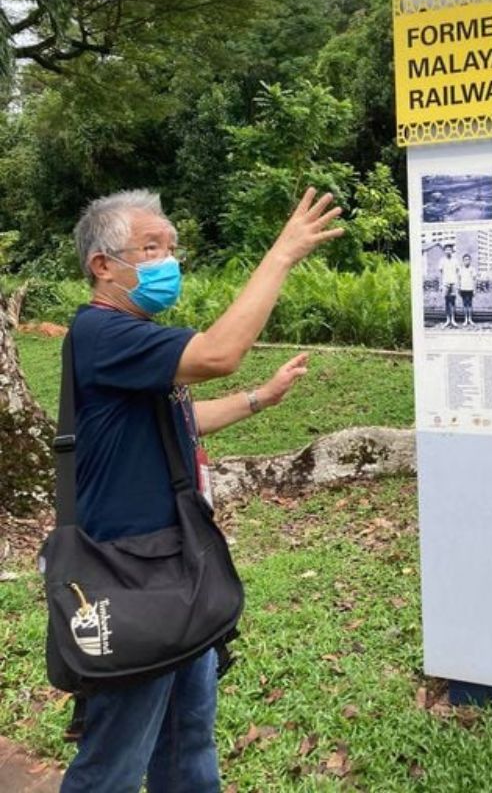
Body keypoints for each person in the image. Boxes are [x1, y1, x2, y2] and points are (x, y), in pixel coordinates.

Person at [59, 187, 343, 793]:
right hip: (133, 576)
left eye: (172, 248)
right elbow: (219, 354)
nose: (169, 261)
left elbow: (180, 418)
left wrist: (259, 400)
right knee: (114, 761)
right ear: (103, 267)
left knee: (189, 739)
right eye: (151, 248)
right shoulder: (101, 334)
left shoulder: (137, 344)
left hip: (181, 564)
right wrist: (283, 254)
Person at [437, 242, 460, 328]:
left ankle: (453, 320)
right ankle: (447, 320)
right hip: (445, 283)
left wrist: (458, 284)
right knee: (446, 302)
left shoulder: (455, 260)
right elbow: (440, 274)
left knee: (453, 302)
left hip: (454, 283)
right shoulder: (442, 260)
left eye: (449, 249)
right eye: (446, 249)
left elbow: (458, 273)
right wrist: (440, 285)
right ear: (444, 251)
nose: (448, 251)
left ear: (452, 251)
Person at [458, 253, 477, 326]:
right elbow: (459, 279)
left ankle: (470, 319)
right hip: (463, 289)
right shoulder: (461, 269)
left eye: (468, 259)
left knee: (470, 304)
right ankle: (465, 319)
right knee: (464, 304)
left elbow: (475, 280)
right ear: (463, 261)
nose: (467, 261)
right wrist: (459, 288)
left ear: (470, 261)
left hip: (470, 289)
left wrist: (474, 290)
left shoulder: (472, 269)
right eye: (465, 260)